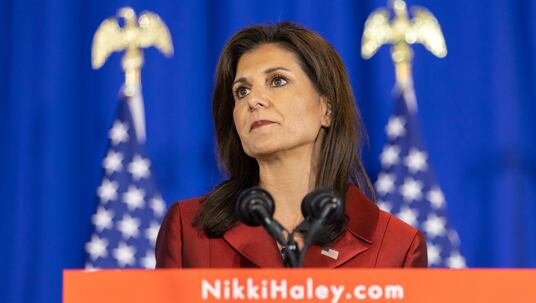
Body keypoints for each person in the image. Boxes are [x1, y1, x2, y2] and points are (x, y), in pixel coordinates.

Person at [155, 22, 427, 268]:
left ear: (327, 108)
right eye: (242, 91)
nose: (254, 100)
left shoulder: (397, 246)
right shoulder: (189, 230)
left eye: (278, 81)